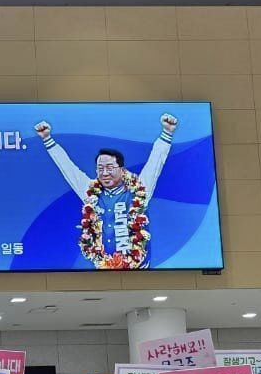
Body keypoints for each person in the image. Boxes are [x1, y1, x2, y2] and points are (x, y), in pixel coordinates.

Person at [34, 112, 178, 269]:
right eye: (100, 168)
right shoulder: (91, 194)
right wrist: (48, 139)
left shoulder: (138, 191)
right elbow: (69, 169)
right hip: (103, 271)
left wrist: (167, 132)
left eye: (110, 168)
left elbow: (155, 163)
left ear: (122, 170)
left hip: (138, 272)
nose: (104, 173)